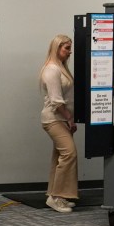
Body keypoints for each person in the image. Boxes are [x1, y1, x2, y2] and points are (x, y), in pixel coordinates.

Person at [39, 34, 78, 213]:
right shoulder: (52, 69)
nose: (70, 52)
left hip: (61, 118)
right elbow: (56, 100)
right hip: (54, 119)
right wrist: (69, 118)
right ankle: (56, 198)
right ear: (57, 48)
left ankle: (55, 195)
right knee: (69, 154)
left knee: (59, 157)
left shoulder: (61, 68)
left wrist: (70, 118)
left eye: (70, 48)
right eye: (66, 48)